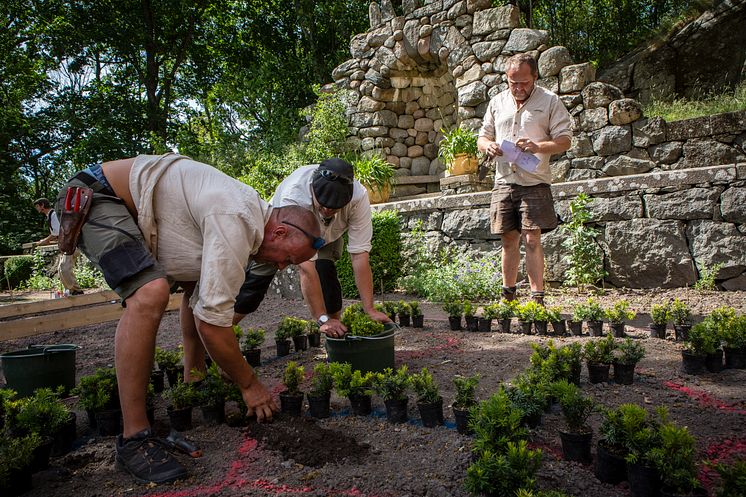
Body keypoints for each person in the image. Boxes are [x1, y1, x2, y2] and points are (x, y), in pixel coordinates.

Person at [57, 153, 321, 484]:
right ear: (279, 232)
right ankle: (134, 437)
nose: (282, 266)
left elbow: (203, 300)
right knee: (149, 294)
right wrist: (250, 384)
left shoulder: (247, 215)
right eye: (288, 258)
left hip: (131, 204)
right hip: (97, 196)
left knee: (195, 281)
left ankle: (193, 379)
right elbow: (212, 325)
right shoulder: (236, 217)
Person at [230, 158, 391, 340]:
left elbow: (360, 255)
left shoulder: (358, 196)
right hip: (283, 239)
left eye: (334, 208)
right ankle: (221, 331)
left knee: (327, 278)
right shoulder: (294, 194)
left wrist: (369, 309)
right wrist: (321, 318)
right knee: (252, 290)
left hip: (330, 236)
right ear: (313, 188)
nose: (327, 211)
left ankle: (335, 338)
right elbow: (306, 268)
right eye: (322, 204)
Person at [477, 53, 573, 305]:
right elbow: (482, 137)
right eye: (512, 82)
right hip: (504, 180)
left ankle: (537, 297)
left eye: (524, 83)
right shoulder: (497, 102)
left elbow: (565, 141)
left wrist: (537, 146)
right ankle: (507, 295)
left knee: (532, 237)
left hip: (535, 180)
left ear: (535, 77)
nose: (518, 88)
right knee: (508, 239)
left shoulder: (551, 101)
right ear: (506, 79)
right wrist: (488, 146)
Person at [32, 198, 84, 295]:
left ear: (42, 205)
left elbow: (56, 232)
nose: (37, 208)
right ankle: (71, 290)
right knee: (61, 269)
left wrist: (45, 240)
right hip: (66, 245)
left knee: (64, 269)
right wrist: (49, 240)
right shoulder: (51, 215)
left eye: (37, 206)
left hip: (70, 245)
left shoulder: (54, 214)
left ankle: (76, 291)